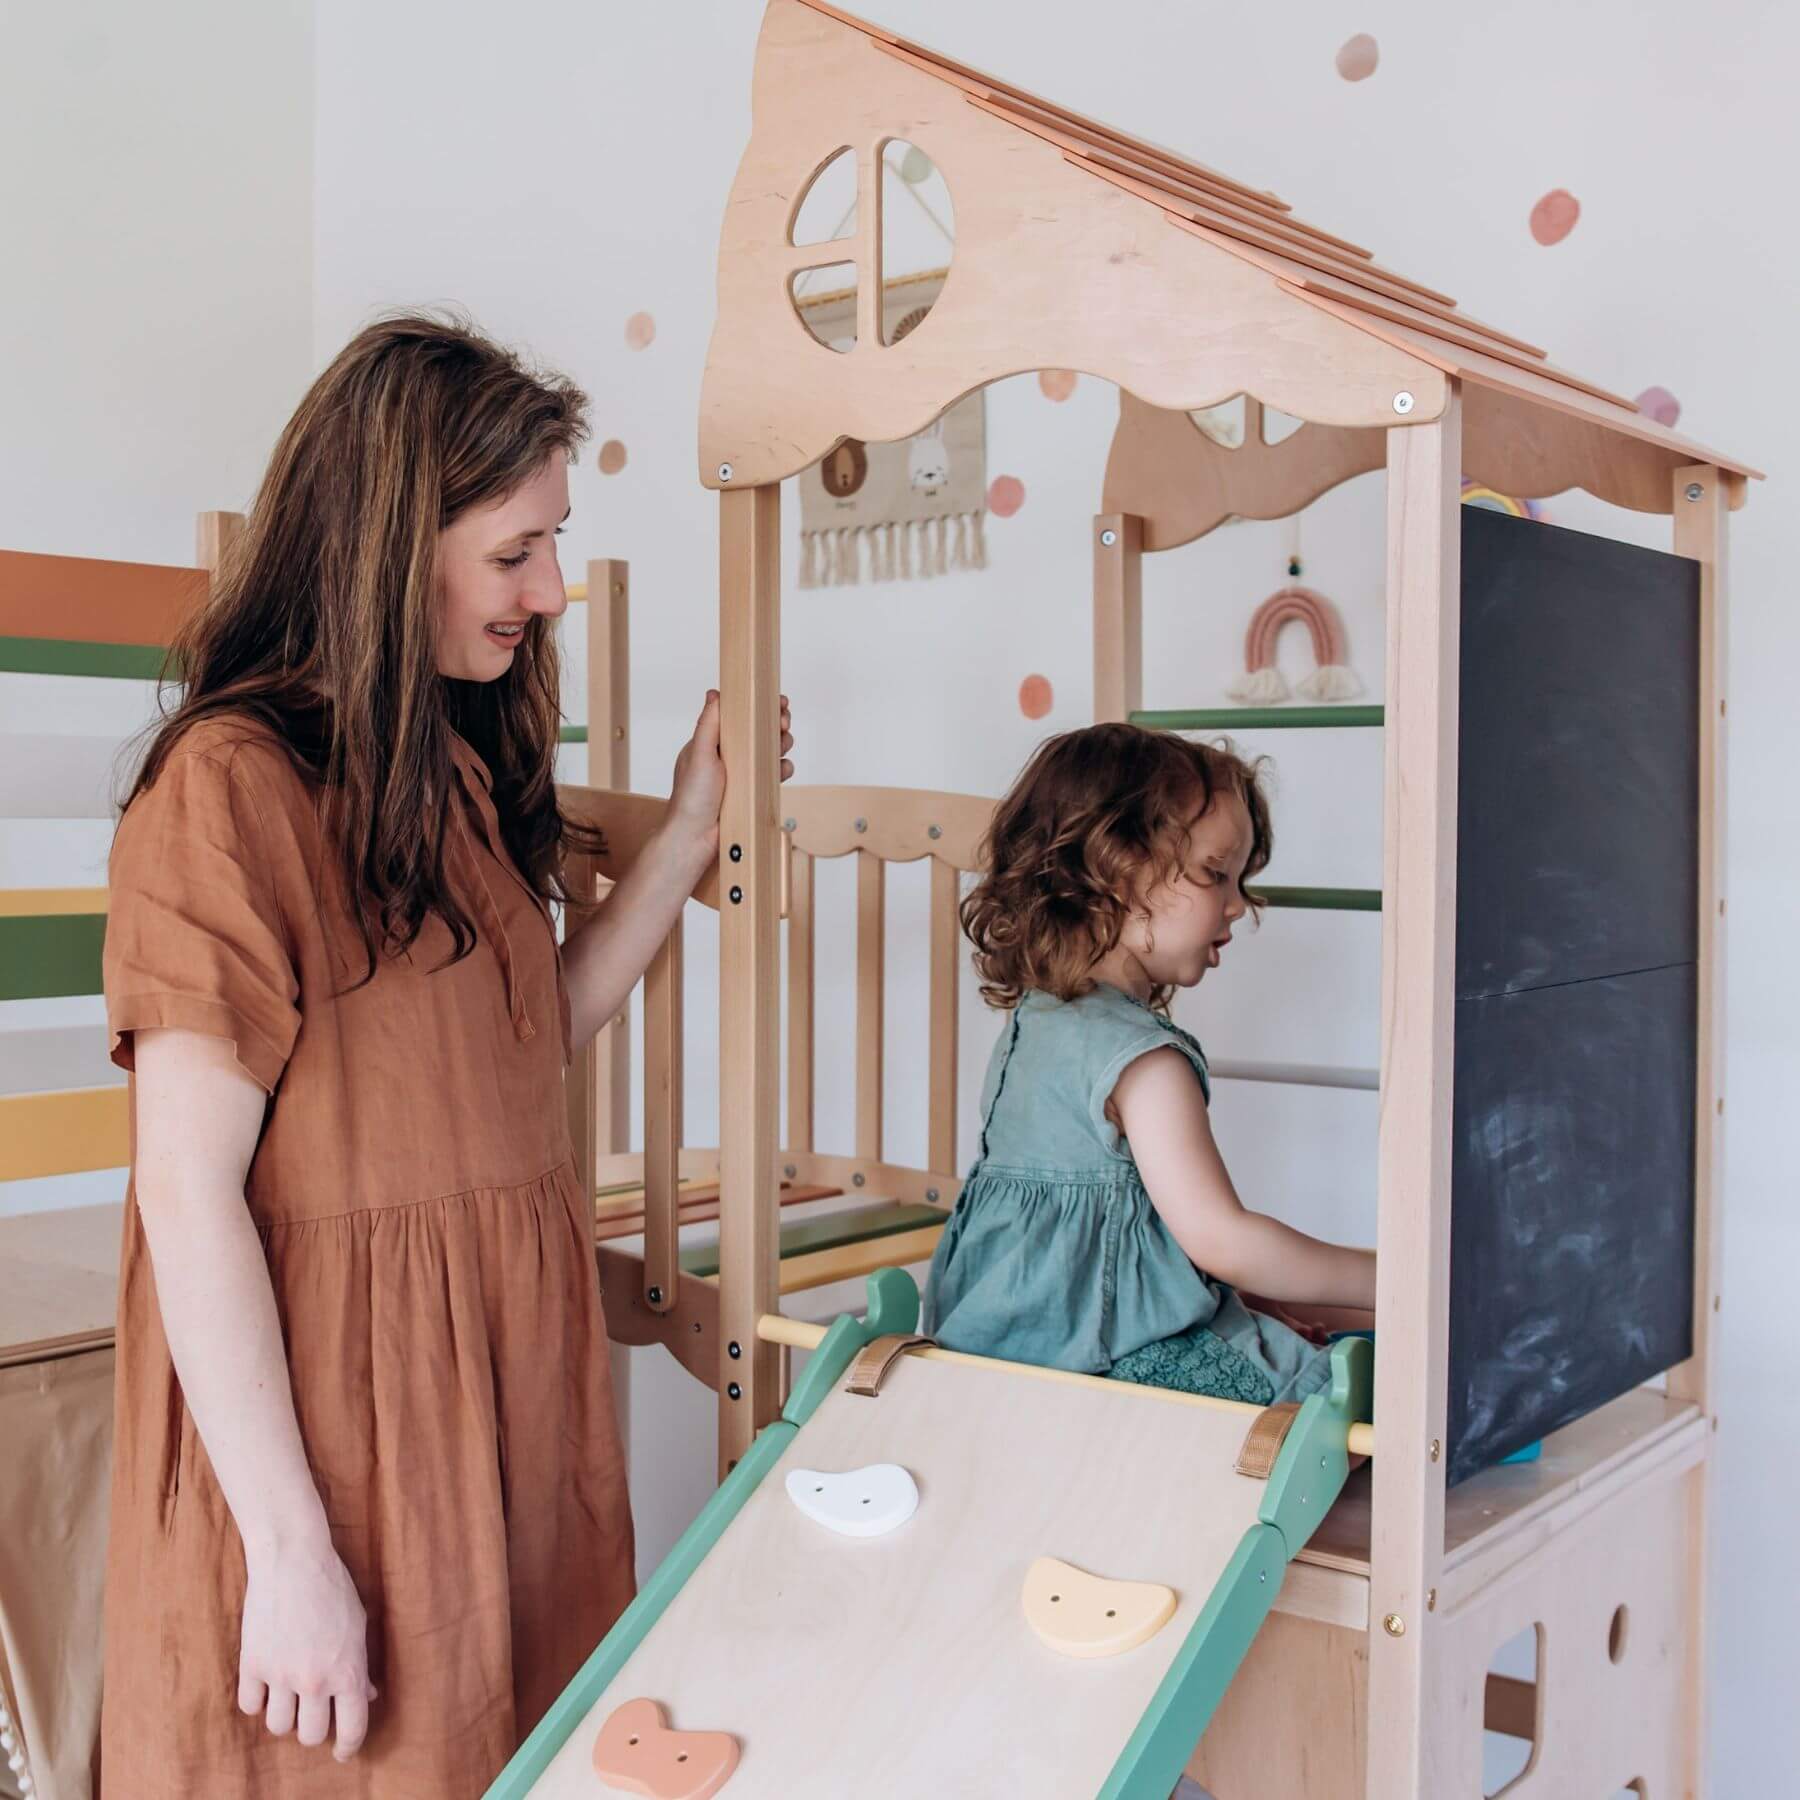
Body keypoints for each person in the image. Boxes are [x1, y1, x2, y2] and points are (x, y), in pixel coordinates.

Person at [100, 313, 793, 1796]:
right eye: (514, 552)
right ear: (385, 541)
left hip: (499, 1381)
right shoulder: (226, 792)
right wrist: (290, 1553)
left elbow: (518, 1048)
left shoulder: (449, 773)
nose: (548, 592)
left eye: (554, 547)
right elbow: (187, 1194)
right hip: (342, 1423)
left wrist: (688, 834)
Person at [923, 723, 1373, 1405]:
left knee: (1299, 1318)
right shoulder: (1145, 1064)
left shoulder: (1034, 1026)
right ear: (1111, 873)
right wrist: (1389, 1275)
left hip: (1002, 1347)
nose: (1237, 905)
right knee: (1349, 1386)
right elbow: (1224, 1239)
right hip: (1110, 1365)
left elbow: (1109, 1239)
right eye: (1216, 874)